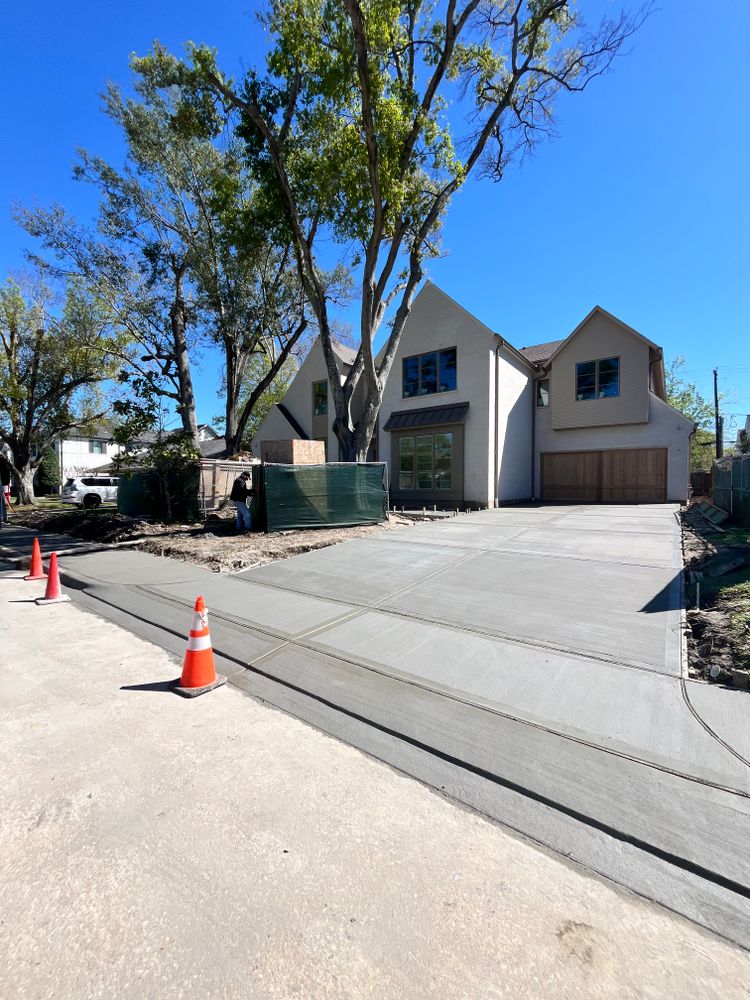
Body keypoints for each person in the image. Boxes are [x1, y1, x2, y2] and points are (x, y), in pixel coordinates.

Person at [0, 454, 11, 528]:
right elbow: (7, 475)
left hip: (2, 483)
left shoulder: (3, 464)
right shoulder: (5, 464)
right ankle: (3, 518)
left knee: (2, 502)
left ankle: (2, 518)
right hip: (3, 484)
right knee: (2, 502)